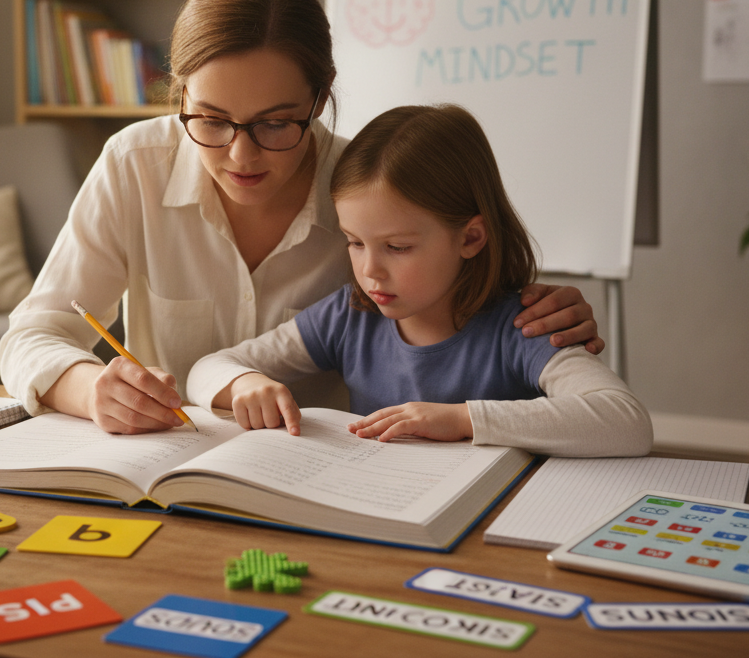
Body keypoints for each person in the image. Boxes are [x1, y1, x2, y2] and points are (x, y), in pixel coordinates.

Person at [0, 0, 604, 435]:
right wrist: (91, 390)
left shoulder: (368, 192)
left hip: (325, 473)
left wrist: (534, 307)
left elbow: (463, 295)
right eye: (209, 119)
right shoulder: (136, 164)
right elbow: (33, 334)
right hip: (173, 468)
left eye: (274, 123)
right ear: (180, 95)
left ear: (319, 98)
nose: (241, 156)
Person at [187, 104, 652, 457]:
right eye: (354, 242)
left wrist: (462, 419)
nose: (370, 270)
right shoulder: (351, 315)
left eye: (398, 247)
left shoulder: (522, 326)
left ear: (470, 237)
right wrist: (244, 382)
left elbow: (625, 420)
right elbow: (209, 367)